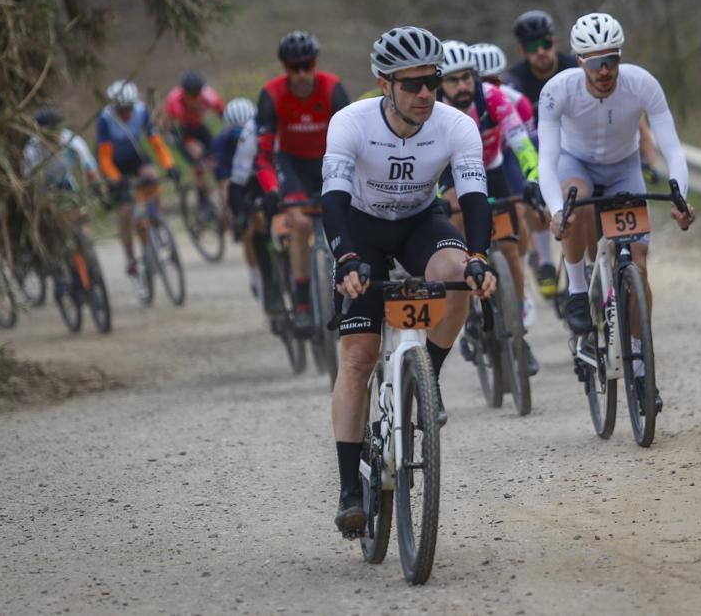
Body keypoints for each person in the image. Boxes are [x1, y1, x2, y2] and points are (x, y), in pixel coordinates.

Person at [320, 26, 496, 532]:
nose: (425, 93)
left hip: (420, 222)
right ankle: (349, 489)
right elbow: (333, 199)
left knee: (457, 275)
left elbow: (474, 197)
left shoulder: (456, 124)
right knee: (359, 356)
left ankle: (427, 377)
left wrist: (479, 257)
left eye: (432, 81)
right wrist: (345, 258)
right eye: (412, 84)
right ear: (384, 84)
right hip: (361, 228)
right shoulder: (350, 122)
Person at [538, 12, 695, 413]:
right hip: (576, 164)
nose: (605, 71)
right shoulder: (558, 90)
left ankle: (640, 366)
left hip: (625, 168)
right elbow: (547, 161)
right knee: (575, 200)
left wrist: (680, 199)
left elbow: (673, 149)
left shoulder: (642, 84)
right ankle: (577, 290)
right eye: (595, 63)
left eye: (611, 60)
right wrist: (556, 211)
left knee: (638, 262)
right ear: (580, 61)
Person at [437, 40, 541, 375]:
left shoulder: (493, 98)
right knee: (457, 214)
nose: (462, 86)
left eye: (467, 77)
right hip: (451, 173)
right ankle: (467, 312)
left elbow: (520, 142)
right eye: (453, 80)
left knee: (510, 251)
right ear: (440, 83)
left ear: (476, 76)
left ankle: (518, 329)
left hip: (491, 169)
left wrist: (534, 177)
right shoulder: (433, 110)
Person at [254, 30, 351, 335]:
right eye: (293, 68)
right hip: (292, 163)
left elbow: (354, 141)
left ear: (315, 63)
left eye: (306, 66)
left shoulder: (332, 88)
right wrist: (271, 189)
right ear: (285, 68)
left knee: (347, 218)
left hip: (329, 159)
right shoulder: (271, 94)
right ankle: (302, 302)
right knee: (301, 224)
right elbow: (263, 154)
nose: (300, 74)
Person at [472, 41, 559, 303]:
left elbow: (527, 145)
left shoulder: (516, 101)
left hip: (504, 153)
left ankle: (529, 260)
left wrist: (536, 177)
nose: (489, 88)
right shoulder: (459, 102)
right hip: (471, 162)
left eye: (494, 81)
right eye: (482, 81)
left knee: (523, 206)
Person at [95, 79, 179, 277]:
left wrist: (170, 165)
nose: (126, 113)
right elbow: (104, 158)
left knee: (151, 176)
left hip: (135, 156)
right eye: (121, 109)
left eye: (129, 108)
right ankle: (131, 258)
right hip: (114, 162)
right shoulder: (105, 120)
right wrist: (116, 178)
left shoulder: (141, 112)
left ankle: (155, 218)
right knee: (125, 212)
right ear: (114, 107)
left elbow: (156, 143)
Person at [210, 97, 258, 294]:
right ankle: (255, 276)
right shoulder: (220, 143)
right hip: (237, 184)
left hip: (260, 179)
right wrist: (230, 211)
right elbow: (223, 183)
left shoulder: (262, 133)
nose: (242, 136)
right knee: (247, 232)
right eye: (237, 131)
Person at [162, 71, 225, 189]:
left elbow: (223, 113)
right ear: (184, 94)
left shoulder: (209, 97)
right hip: (182, 129)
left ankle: (216, 185)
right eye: (191, 96)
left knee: (215, 154)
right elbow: (167, 122)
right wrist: (171, 136)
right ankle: (201, 191)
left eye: (197, 95)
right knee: (197, 155)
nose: (194, 100)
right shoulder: (174, 100)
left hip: (198, 126)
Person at [24, 108, 99, 192]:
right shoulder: (32, 149)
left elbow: (89, 167)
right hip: (42, 186)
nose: (56, 133)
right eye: (52, 129)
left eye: (57, 128)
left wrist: (99, 190)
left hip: (65, 181)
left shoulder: (72, 141)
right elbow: (28, 178)